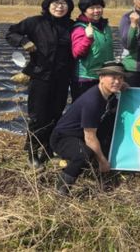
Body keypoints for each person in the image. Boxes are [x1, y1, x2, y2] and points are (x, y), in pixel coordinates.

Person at [5, 0, 75, 169]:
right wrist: (23, 41)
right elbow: (11, 33)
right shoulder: (35, 22)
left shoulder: (71, 26)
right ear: (48, 4)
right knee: (38, 116)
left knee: (56, 114)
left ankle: (49, 150)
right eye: (55, 3)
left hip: (62, 78)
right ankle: (32, 152)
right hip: (40, 77)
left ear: (69, 7)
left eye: (64, 3)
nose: (59, 7)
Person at [50, 61, 128, 194]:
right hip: (63, 138)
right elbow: (90, 137)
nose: (117, 81)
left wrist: (123, 86)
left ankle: (91, 167)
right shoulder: (92, 101)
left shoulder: (108, 94)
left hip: (80, 135)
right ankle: (62, 187)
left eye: (120, 78)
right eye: (113, 78)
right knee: (84, 155)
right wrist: (102, 161)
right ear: (101, 78)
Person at [70, 0, 114, 101]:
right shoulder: (80, 28)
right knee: (85, 108)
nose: (96, 11)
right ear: (84, 10)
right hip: (86, 78)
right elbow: (77, 53)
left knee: (102, 107)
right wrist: (88, 37)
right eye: (92, 8)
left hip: (103, 76)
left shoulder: (106, 27)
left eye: (99, 7)